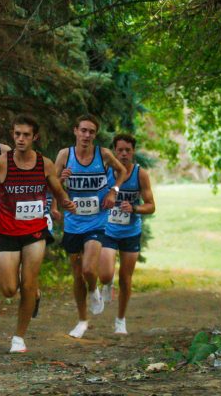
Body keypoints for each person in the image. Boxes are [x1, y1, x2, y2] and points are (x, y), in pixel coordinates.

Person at [0, 114, 76, 353]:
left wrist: (65, 202)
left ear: (35, 137)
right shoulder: (1, 163)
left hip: (35, 231)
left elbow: (57, 189)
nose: (20, 139)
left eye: (25, 135)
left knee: (28, 282)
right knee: (9, 289)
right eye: (17, 134)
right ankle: (35, 294)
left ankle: (18, 338)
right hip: (7, 232)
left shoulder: (45, 163)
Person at [54, 114, 127, 339]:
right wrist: (61, 180)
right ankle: (82, 320)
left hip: (97, 220)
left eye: (91, 132)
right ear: (75, 131)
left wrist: (114, 191)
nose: (87, 135)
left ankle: (94, 289)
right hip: (73, 222)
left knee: (87, 269)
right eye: (83, 130)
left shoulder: (103, 154)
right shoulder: (65, 155)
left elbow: (122, 172)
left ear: (95, 135)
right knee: (77, 275)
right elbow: (52, 182)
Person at [98, 134, 155, 334]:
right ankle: (106, 283)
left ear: (133, 152)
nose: (123, 154)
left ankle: (120, 319)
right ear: (114, 151)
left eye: (127, 150)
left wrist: (134, 208)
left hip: (130, 231)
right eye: (120, 150)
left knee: (126, 278)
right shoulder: (105, 171)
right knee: (105, 274)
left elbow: (151, 206)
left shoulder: (140, 174)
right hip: (108, 229)